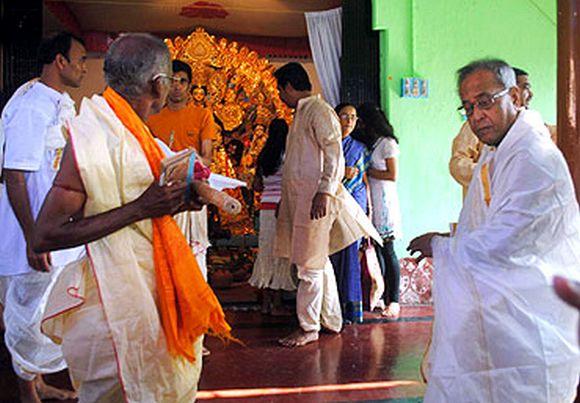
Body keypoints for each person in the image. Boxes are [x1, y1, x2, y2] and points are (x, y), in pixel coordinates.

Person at [33, 33, 232, 401]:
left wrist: (176, 202)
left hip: (152, 297)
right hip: (115, 307)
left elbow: (148, 207)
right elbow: (44, 234)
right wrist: (142, 208)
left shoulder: (140, 137)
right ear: (159, 85)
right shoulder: (92, 138)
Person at [408, 59, 580, 402]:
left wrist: (442, 247)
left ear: (515, 96)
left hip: (531, 321)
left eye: (485, 102)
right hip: (501, 313)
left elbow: (509, 240)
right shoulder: (496, 152)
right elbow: (481, 222)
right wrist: (454, 242)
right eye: (468, 107)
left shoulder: (533, 155)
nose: (475, 115)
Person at [0, 32, 87, 403]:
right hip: (30, 229)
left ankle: (39, 383)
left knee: (49, 308)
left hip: (51, 227)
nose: (84, 66)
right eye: (80, 59)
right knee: (25, 311)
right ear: (59, 61)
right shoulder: (32, 105)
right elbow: (15, 174)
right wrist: (34, 235)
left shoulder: (61, 103)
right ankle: (26, 395)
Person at [273, 62, 380, 347]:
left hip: (315, 201)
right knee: (318, 264)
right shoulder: (302, 114)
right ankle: (331, 320)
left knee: (309, 266)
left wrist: (324, 192)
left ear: (288, 87)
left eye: (280, 90)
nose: (280, 97)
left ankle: (308, 327)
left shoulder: (319, 112)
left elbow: (335, 156)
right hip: (303, 200)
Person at [147, 59, 216, 281]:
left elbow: (207, 158)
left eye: (182, 81)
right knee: (164, 250)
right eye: (172, 81)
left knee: (195, 253)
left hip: (192, 189)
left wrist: (188, 161)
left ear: (190, 86)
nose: (177, 86)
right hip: (162, 192)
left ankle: (198, 303)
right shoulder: (152, 117)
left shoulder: (203, 115)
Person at [449, 67, 556, 197]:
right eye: (525, 88)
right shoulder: (480, 125)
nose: (530, 94)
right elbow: (458, 163)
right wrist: (492, 174)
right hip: (486, 209)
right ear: (512, 94)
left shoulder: (538, 129)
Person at [354, 103, 403, 320]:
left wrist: (368, 171)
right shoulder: (372, 144)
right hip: (372, 200)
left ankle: (394, 300)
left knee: (388, 250)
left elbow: (392, 174)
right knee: (377, 249)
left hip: (385, 201)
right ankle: (380, 295)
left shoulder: (388, 144)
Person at [249, 118, 296, 315]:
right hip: (282, 207)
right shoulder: (288, 155)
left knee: (266, 251)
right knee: (280, 252)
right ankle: (276, 303)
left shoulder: (264, 156)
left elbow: (257, 185)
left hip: (265, 207)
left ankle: (265, 303)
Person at [329, 103, 368, 324]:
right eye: (344, 116)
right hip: (330, 207)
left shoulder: (359, 148)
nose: (349, 121)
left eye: (353, 117)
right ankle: (332, 308)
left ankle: (350, 310)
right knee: (331, 256)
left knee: (350, 257)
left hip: (352, 207)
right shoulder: (327, 145)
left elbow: (357, 180)